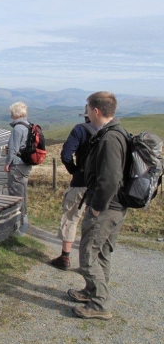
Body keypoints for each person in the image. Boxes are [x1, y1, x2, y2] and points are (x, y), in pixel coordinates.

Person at [68, 91, 129, 320]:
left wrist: (97, 206)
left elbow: (111, 178)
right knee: (101, 252)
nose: (86, 112)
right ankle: (92, 292)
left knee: (88, 254)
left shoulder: (110, 138)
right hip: (114, 207)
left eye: (87, 108)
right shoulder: (115, 133)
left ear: (95, 110)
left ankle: (100, 305)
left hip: (106, 207)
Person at [50, 108, 97, 270]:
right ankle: (90, 263)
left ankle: (65, 257)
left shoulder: (80, 130)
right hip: (105, 186)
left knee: (71, 219)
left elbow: (66, 155)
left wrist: (75, 171)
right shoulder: (113, 131)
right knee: (96, 223)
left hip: (81, 183)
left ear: (87, 116)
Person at [4, 101, 32, 235]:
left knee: (15, 194)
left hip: (17, 164)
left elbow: (13, 149)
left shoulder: (17, 128)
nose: (10, 115)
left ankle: (18, 225)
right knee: (22, 192)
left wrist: (7, 163)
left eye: (11, 112)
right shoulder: (29, 126)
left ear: (15, 114)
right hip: (26, 164)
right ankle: (23, 219)